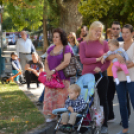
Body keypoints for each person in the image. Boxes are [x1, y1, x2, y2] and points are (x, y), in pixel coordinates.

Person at [80, 21, 110, 134]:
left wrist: (101, 69)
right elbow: (83, 60)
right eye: (96, 30)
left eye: (100, 31)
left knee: (103, 100)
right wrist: (97, 60)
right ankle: (85, 124)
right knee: (86, 100)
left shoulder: (104, 43)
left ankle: (104, 124)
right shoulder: (83, 44)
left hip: (101, 75)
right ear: (91, 29)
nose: (98, 33)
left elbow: (108, 60)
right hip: (87, 75)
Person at [107, 24, 134, 134]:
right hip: (119, 79)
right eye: (123, 32)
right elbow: (108, 56)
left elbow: (133, 63)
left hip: (131, 78)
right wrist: (116, 56)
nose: (124, 34)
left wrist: (120, 69)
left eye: (127, 32)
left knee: (133, 102)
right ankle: (125, 128)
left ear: (132, 33)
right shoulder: (119, 45)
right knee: (122, 103)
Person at [43, 28, 73, 122]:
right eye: (53, 37)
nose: (54, 39)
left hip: (63, 78)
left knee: (61, 99)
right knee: (50, 97)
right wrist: (48, 71)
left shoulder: (66, 47)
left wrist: (53, 71)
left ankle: (62, 118)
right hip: (51, 78)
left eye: (57, 37)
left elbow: (66, 62)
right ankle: (53, 116)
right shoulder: (51, 48)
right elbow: (46, 62)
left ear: (62, 38)